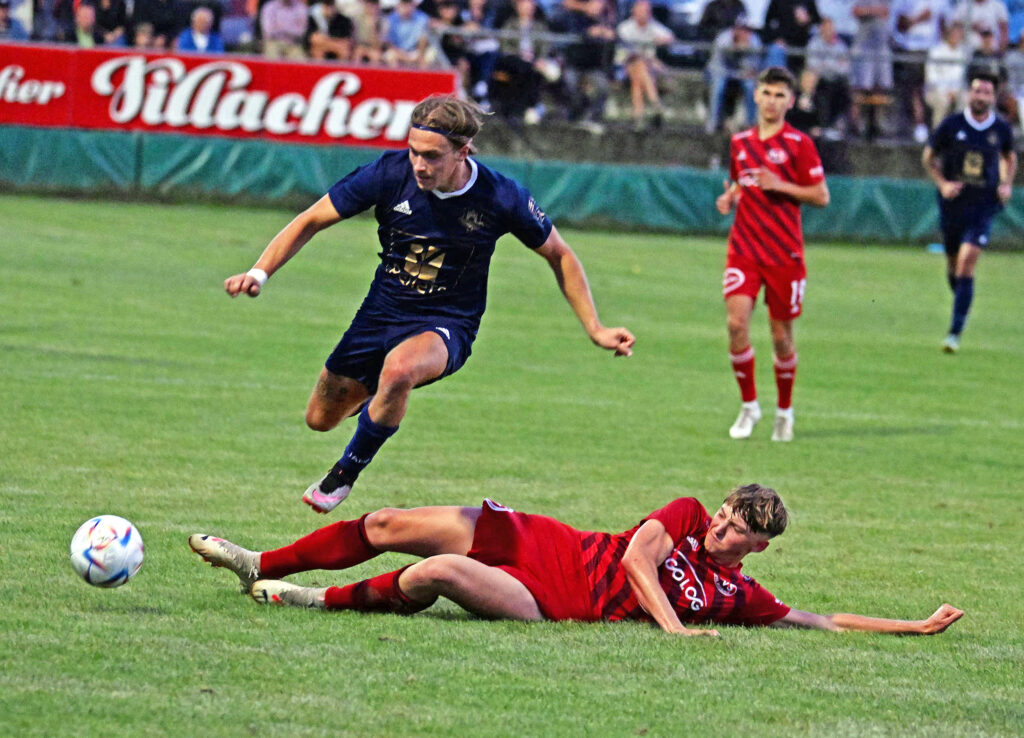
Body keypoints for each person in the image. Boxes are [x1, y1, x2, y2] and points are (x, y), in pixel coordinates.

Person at [223, 96, 635, 513]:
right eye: (414, 152)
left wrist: (595, 328)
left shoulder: (501, 196)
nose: (420, 165)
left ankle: (343, 473)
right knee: (320, 419)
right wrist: (259, 273)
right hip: (380, 313)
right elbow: (310, 219)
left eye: (432, 156)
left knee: (400, 371)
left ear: (463, 151)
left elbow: (559, 254)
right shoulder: (388, 173)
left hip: (448, 322)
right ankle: (383, 401)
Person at [188, 483, 965, 636]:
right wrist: (672, 628)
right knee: (388, 522)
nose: (719, 529)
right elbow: (636, 562)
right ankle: (263, 561)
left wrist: (917, 626)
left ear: (756, 548)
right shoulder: (685, 515)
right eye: (725, 516)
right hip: (541, 541)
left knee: (434, 576)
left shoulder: (737, 598)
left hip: (548, 602)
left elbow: (820, 620)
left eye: (735, 533)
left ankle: (313, 600)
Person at [715, 66, 829, 442]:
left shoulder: (799, 143)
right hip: (744, 250)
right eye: (767, 93)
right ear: (756, 95)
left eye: (780, 95)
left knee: (781, 337)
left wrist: (780, 185)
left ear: (790, 101)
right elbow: (739, 181)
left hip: (784, 255)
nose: (772, 101)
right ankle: (749, 406)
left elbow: (821, 195)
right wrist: (730, 197)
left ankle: (784, 411)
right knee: (736, 325)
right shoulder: (740, 142)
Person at [922, 70, 1016, 353]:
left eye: (986, 92)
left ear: (994, 97)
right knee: (954, 266)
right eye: (977, 91)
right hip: (953, 205)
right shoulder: (952, 125)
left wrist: (1006, 184)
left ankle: (954, 332)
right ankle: (963, 300)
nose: (981, 96)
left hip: (984, 205)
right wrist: (943, 184)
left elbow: (1009, 157)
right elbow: (928, 157)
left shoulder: (1001, 128)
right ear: (968, 93)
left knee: (967, 263)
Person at [615, 0, 674, 131]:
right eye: (642, 11)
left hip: (645, 68)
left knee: (637, 79)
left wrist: (661, 40)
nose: (645, 14)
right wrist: (647, 58)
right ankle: (655, 103)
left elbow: (670, 36)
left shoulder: (652, 26)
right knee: (638, 64)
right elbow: (627, 55)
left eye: (648, 12)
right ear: (634, 12)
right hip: (624, 67)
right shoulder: (624, 28)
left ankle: (638, 116)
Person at [705, 14, 763, 134]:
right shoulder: (723, 39)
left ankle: (751, 124)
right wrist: (734, 48)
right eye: (742, 29)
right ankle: (713, 124)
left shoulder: (755, 42)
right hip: (720, 71)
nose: (745, 33)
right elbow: (716, 65)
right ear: (735, 29)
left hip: (742, 73)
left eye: (748, 30)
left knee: (750, 86)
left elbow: (753, 68)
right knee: (718, 86)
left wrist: (745, 51)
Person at [925, 20, 969, 129]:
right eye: (955, 33)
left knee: (966, 99)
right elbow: (931, 77)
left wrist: (955, 91)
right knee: (943, 101)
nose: (957, 36)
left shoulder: (963, 53)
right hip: (936, 90)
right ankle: (938, 133)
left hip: (956, 90)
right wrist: (945, 90)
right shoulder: (936, 51)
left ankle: (960, 132)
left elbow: (961, 77)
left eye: (959, 34)